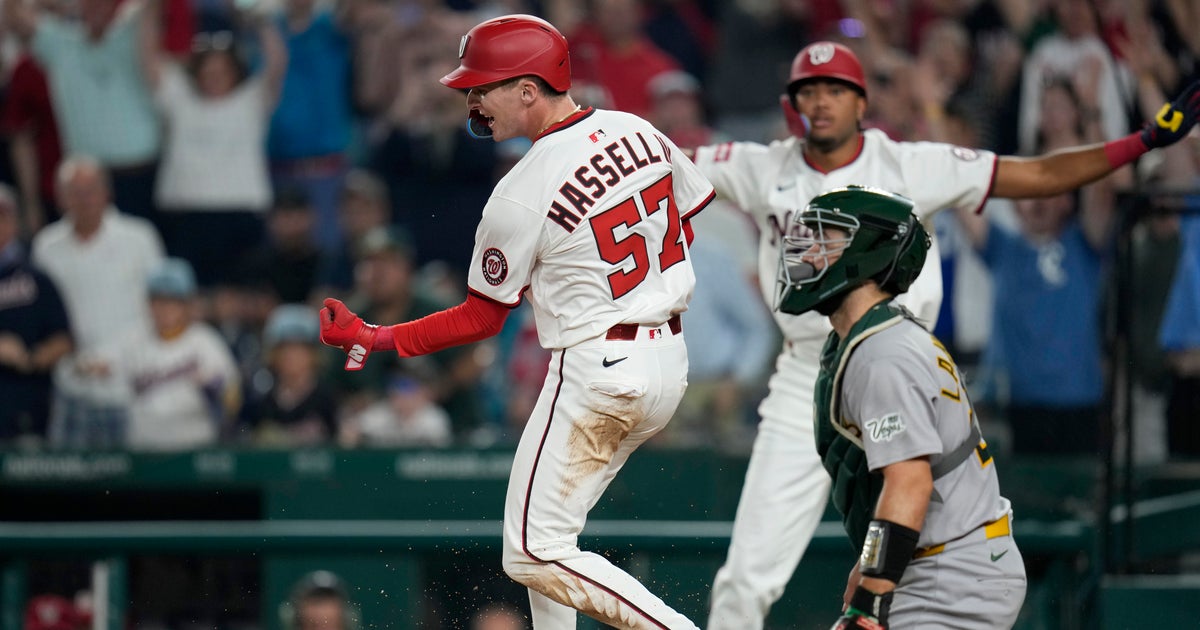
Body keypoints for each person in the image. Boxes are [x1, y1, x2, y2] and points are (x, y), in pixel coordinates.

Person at [692, 40, 1200, 629]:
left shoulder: (909, 164)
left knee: (934, 535)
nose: (822, 101)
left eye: (836, 89)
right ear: (792, 104)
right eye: (809, 90)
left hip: (897, 359)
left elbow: (1035, 174)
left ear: (862, 102)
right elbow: (657, 159)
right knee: (750, 577)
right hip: (811, 366)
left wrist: (1139, 142)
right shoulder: (764, 165)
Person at [318, 14, 714, 629]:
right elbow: (688, 214)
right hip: (667, 360)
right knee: (553, 540)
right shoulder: (635, 128)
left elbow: (481, 319)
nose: (471, 101)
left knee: (531, 552)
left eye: (483, 88)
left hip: (597, 368)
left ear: (529, 89)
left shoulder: (519, 191)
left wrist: (379, 336)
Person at [775, 185, 1025, 629]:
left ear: (869, 253)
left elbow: (910, 484)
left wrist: (871, 597)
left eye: (826, 239)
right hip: (938, 561)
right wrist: (871, 569)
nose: (809, 252)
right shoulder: (873, 338)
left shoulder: (883, 354)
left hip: (951, 575)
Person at [31, 156, 165, 449]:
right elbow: (43, 317)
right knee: (67, 484)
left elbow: (160, 309)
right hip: (71, 383)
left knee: (133, 486)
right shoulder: (46, 247)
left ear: (107, 191)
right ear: (61, 198)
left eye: (91, 189)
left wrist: (118, 358)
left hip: (131, 383)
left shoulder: (140, 238)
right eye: (75, 191)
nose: (85, 198)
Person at [0, 185, 72, 446]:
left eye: (3, 217)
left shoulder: (36, 278)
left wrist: (31, 358)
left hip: (29, 408)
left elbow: (63, 339)